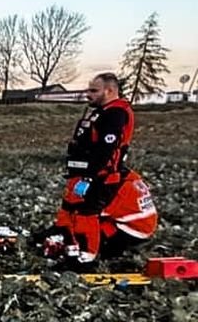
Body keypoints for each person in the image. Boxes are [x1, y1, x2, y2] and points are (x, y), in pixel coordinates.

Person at [40, 72, 158, 265]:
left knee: (85, 214)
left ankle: (85, 258)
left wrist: (91, 175)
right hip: (89, 173)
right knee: (72, 209)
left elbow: (106, 150)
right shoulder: (101, 112)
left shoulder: (115, 114)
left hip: (125, 219)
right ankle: (66, 240)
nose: (88, 94)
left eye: (94, 90)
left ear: (109, 91)